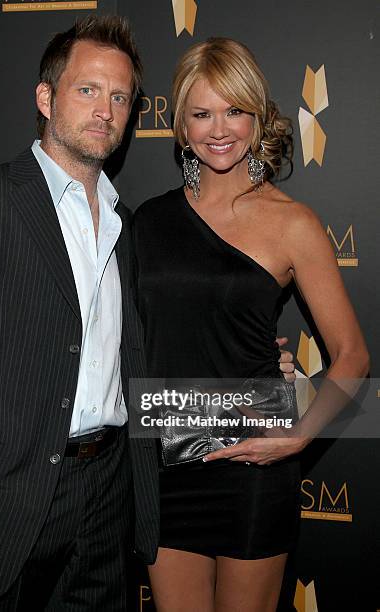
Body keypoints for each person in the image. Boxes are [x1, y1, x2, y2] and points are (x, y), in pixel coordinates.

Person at [0, 15, 162, 611]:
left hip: (107, 493)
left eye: (120, 96)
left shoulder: (127, 225)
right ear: (46, 97)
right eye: (88, 90)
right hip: (3, 496)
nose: (106, 110)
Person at [132, 38, 369, 612]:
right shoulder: (147, 221)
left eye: (235, 110)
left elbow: (352, 356)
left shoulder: (293, 223)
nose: (220, 128)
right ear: (180, 126)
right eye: (202, 112)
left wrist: (297, 436)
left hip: (252, 462)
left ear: (258, 118)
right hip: (164, 460)